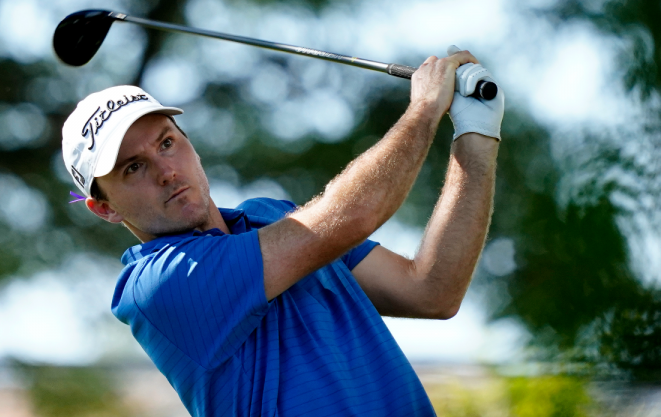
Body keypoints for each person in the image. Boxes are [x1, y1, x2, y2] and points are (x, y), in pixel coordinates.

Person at [61, 47, 504, 416]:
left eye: (167, 142)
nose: (165, 171)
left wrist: (476, 134)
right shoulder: (158, 288)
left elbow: (431, 291)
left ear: (189, 143)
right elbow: (349, 216)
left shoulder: (271, 216)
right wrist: (425, 108)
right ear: (105, 209)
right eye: (133, 167)